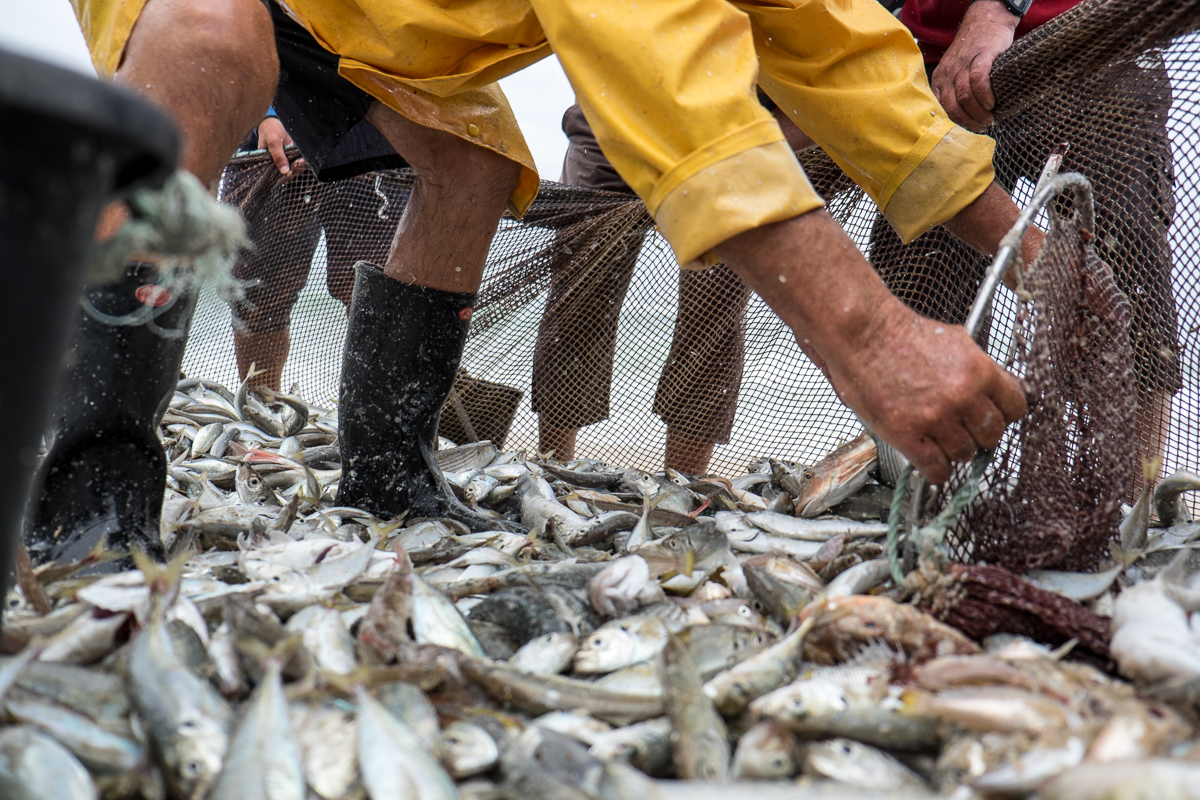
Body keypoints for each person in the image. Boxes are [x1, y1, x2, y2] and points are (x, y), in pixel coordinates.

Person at [38, 0, 1038, 563]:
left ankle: (388, 476)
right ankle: (92, 495)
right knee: (207, 38)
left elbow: (838, 47)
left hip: (375, 18)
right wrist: (863, 332)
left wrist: (1015, 236)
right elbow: (653, 49)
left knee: (473, 163)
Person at [878, 0, 1180, 480]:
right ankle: (918, 479)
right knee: (921, 271)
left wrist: (998, 9)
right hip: (932, 60)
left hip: (1092, 33)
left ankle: (1140, 487)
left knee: (1126, 250)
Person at [534, 97, 814, 474]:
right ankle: (552, 469)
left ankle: (682, 486)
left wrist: (754, 150)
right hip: (619, 106)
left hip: (742, 126)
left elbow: (824, 92)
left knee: (715, 306)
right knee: (579, 290)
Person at [225, 112, 409, 390]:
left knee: (380, 289)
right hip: (275, 141)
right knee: (259, 293)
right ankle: (261, 409)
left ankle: (383, 414)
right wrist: (268, 115)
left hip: (375, 139)